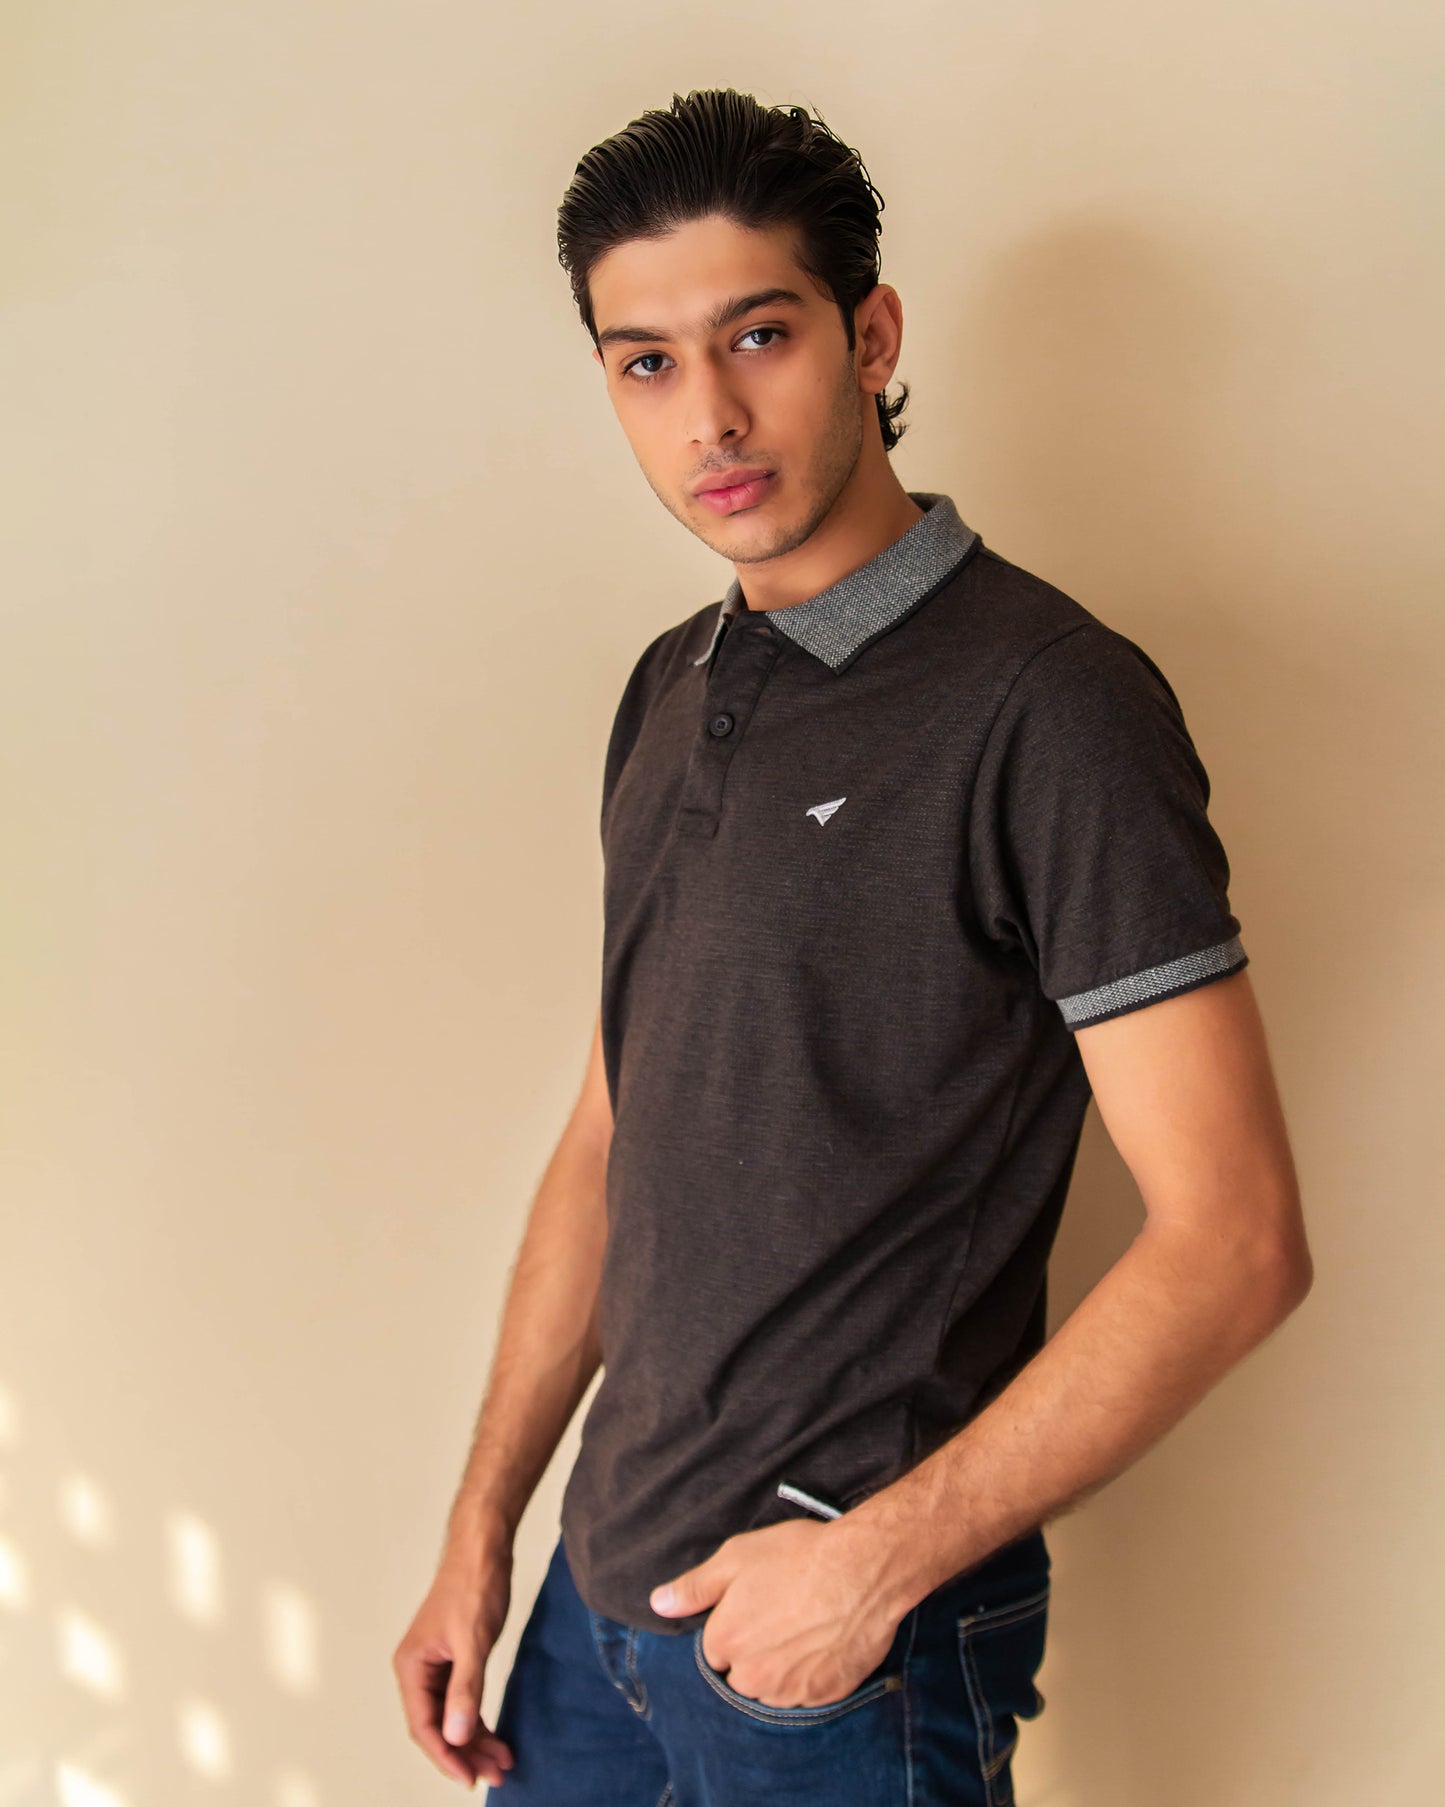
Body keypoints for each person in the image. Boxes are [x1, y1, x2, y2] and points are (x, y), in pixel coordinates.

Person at [392, 88, 1313, 1804]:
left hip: (833, 1648)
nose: (709, 415)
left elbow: (1236, 1240)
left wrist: (868, 1570)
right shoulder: (667, 687)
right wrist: (481, 1531)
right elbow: (608, 1134)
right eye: (646, 363)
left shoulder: (1047, 706)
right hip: (597, 1608)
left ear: (871, 337)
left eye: (760, 335)